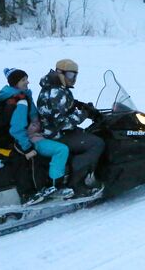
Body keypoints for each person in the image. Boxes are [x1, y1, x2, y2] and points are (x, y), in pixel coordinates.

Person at [0, 67, 74, 199]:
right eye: (23, 80)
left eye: (26, 79)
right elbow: (16, 128)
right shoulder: (21, 100)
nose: (27, 82)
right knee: (61, 149)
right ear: (15, 83)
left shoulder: (15, 96)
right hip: (29, 140)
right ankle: (56, 186)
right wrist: (27, 148)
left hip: (34, 135)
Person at [37, 59, 105, 197]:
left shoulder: (55, 87)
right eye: (69, 75)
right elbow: (61, 122)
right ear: (59, 73)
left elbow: (64, 106)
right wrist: (84, 114)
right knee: (96, 143)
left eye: (75, 75)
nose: (73, 79)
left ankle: (84, 174)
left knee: (89, 134)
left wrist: (81, 106)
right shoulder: (55, 91)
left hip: (57, 132)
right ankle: (76, 184)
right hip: (56, 135)